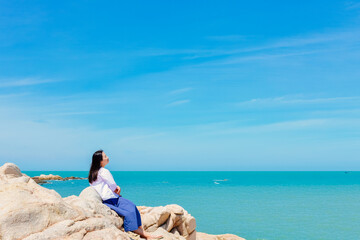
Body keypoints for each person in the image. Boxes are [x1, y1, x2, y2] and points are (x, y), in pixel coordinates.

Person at [88, 150, 163, 239]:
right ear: (100, 161)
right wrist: (117, 188)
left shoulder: (93, 174)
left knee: (131, 207)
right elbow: (112, 184)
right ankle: (146, 235)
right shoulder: (103, 171)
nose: (107, 157)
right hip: (113, 199)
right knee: (131, 210)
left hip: (107, 200)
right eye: (105, 156)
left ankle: (143, 233)